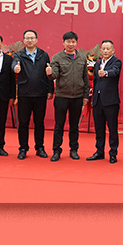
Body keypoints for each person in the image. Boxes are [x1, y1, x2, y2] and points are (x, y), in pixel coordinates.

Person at [47, 31, 89, 162]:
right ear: (63, 42)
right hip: (62, 96)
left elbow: (85, 78)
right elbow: (54, 75)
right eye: (68, 41)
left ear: (76, 43)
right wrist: (50, 73)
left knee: (74, 125)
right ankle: (56, 150)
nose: (70, 44)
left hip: (78, 97)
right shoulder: (57, 57)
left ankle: (74, 149)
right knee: (59, 125)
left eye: (73, 42)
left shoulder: (82, 58)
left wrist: (86, 96)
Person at [12, 30, 54, 160]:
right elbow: (14, 64)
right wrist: (15, 68)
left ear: (36, 40)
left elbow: (48, 72)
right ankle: (23, 148)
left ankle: (40, 147)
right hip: (24, 94)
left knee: (39, 122)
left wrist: (50, 90)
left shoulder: (43, 54)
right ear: (23, 40)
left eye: (32, 38)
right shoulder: (18, 55)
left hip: (40, 93)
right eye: (27, 38)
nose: (30, 40)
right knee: (23, 123)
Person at [87, 40, 122, 163]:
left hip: (111, 101)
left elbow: (115, 72)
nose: (106, 51)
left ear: (113, 50)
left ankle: (113, 153)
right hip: (98, 101)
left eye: (108, 49)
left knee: (112, 129)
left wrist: (105, 73)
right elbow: (96, 81)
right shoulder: (97, 63)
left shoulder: (116, 62)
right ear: (101, 50)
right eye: (104, 49)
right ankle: (99, 151)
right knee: (99, 128)